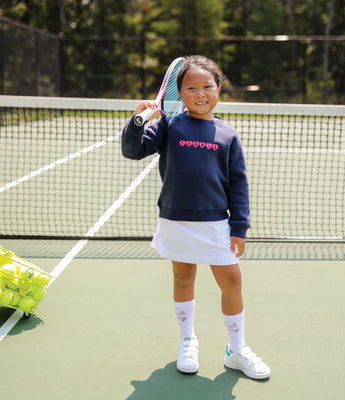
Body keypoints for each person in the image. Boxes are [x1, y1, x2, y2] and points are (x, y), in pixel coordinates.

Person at [121, 55, 270, 380]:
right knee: (183, 277)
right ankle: (188, 341)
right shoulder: (169, 126)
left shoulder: (228, 135)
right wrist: (136, 122)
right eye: (191, 88)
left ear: (218, 88)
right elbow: (133, 151)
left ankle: (236, 349)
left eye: (207, 86)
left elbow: (238, 184)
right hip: (176, 220)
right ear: (179, 94)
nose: (200, 93)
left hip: (216, 223)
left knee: (232, 279)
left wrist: (239, 227)